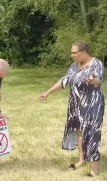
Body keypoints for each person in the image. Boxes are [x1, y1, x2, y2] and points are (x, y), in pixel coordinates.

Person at [40, 41, 105, 177]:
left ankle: (94, 168)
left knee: (93, 132)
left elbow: (98, 80)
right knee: (80, 132)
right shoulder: (74, 66)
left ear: (83, 52)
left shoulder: (96, 63)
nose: (72, 55)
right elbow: (64, 80)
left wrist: (93, 80)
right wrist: (48, 92)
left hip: (92, 104)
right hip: (76, 105)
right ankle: (81, 160)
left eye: (74, 53)